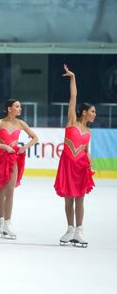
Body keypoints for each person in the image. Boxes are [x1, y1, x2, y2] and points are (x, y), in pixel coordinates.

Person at [55, 64, 95, 248]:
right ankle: (69, 228)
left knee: (80, 199)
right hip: (68, 164)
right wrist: (73, 77)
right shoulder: (72, 122)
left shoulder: (88, 131)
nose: (95, 114)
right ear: (84, 112)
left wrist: (90, 163)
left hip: (81, 166)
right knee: (68, 199)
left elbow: (86, 150)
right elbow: (73, 97)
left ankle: (79, 230)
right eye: (92, 111)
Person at [0, 98, 38, 239]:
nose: (20, 109)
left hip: (13, 158)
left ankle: (8, 223)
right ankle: (1, 221)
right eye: (17, 106)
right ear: (9, 108)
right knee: (0, 191)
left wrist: (25, 147)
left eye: (20, 106)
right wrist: (4, 146)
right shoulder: (0, 123)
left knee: (9, 190)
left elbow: (35, 138)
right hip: (0, 157)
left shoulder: (21, 123)